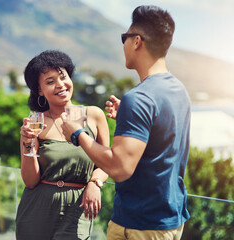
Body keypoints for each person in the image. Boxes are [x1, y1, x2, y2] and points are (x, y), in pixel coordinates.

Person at [62, 5, 191, 240]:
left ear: (137, 41)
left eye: (125, 37)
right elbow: (161, 136)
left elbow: (120, 168)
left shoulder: (139, 98)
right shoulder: (178, 90)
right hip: (170, 219)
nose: (123, 44)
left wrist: (78, 133)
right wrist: (128, 115)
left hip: (139, 224)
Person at [15, 50, 109, 239]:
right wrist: (27, 143)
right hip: (36, 210)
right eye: (50, 81)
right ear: (40, 90)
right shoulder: (34, 123)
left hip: (77, 207)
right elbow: (30, 181)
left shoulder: (94, 115)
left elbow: (107, 162)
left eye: (63, 77)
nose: (60, 85)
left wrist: (95, 183)